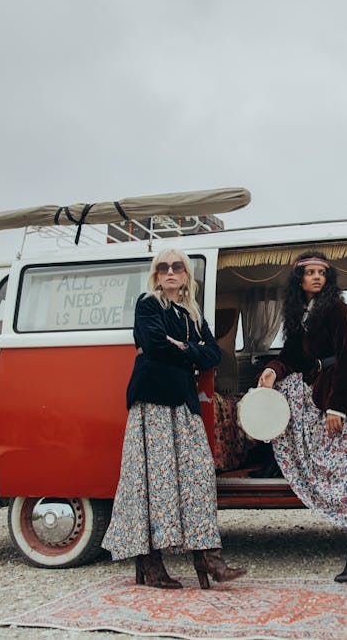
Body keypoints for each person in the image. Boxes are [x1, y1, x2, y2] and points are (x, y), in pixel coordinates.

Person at [102, 249, 246, 589]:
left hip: (182, 402)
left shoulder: (192, 313)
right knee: (152, 482)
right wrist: (190, 349)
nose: (170, 272)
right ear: (156, 274)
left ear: (185, 274)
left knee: (198, 479)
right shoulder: (148, 304)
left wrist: (185, 348)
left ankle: (209, 558)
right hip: (152, 400)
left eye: (176, 266)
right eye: (163, 267)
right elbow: (153, 345)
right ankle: (151, 564)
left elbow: (213, 354)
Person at [257, 251, 347, 582]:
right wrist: (271, 370)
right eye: (309, 272)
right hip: (320, 389)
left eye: (321, 272)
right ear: (299, 280)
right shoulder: (298, 314)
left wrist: (338, 408)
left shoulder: (339, 310)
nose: (316, 277)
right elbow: (290, 356)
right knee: (281, 388)